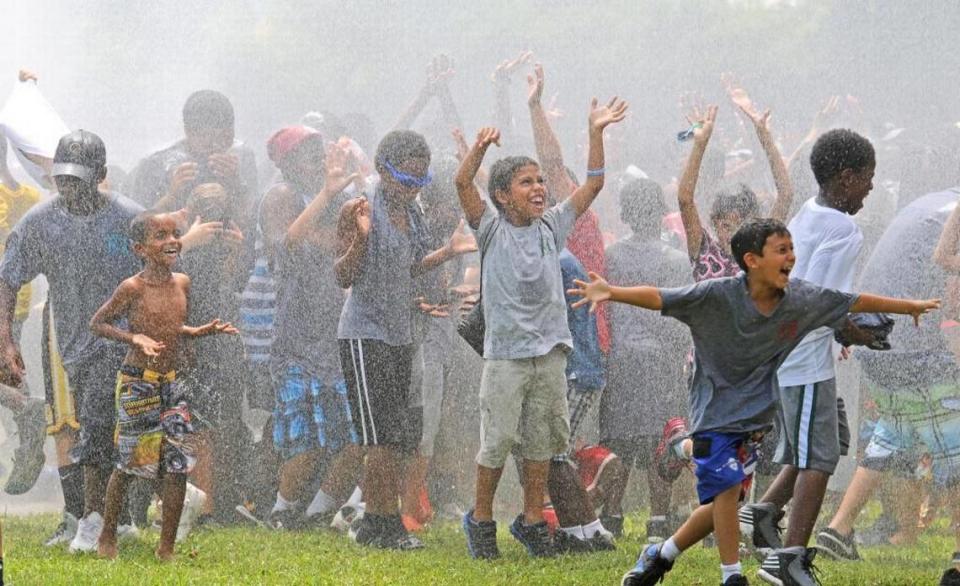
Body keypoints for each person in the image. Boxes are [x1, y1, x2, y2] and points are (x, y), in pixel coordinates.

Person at [567, 218, 939, 586]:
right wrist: (611, 291)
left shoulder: (800, 299)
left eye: (792, 249)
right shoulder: (717, 295)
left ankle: (660, 553)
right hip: (713, 410)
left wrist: (909, 307)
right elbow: (661, 296)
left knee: (720, 505)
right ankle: (732, 577)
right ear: (751, 260)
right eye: (782, 250)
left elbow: (852, 301)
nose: (791, 257)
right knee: (728, 488)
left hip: (755, 418)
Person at [457, 93, 628, 560]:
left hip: (550, 354)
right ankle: (481, 520)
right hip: (507, 356)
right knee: (496, 443)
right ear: (502, 195)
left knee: (541, 444)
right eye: (525, 182)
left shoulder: (552, 227)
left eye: (540, 181)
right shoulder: (491, 230)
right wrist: (478, 150)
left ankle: (533, 521)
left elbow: (593, 184)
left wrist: (595, 134)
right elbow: (462, 183)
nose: (538, 188)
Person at [732, 129, 876, 586]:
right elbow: (820, 300)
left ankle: (765, 512)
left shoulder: (807, 214)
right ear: (847, 177)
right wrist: (857, 331)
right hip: (804, 361)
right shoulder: (845, 231)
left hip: (791, 354)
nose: (871, 189)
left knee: (828, 437)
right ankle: (789, 559)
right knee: (819, 457)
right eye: (867, 179)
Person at [0, 130, 143, 553]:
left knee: (122, 430)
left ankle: (107, 519)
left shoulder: (129, 219)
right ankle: (88, 518)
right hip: (73, 344)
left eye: (78, 178)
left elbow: (163, 269)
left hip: (126, 342)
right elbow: (8, 279)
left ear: (100, 174)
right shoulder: (41, 223)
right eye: (63, 177)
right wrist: (6, 340)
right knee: (86, 430)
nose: (69, 186)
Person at [335, 129, 475, 550]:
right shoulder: (359, 207)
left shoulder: (412, 213)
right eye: (405, 179)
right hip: (364, 334)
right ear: (382, 170)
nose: (413, 188)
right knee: (378, 437)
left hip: (400, 334)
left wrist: (448, 252)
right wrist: (360, 238)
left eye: (419, 180)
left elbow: (410, 267)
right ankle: (382, 524)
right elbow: (342, 275)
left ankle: (376, 520)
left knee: (398, 435)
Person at [816, 186, 960, 586]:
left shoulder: (933, 202)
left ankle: (838, 529)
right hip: (911, 343)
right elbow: (951, 289)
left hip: (873, 337)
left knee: (894, 429)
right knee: (954, 441)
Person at [90, 211, 237, 561]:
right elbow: (98, 323)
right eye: (160, 236)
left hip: (174, 385)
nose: (171, 240)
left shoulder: (182, 282)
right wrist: (133, 337)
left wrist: (196, 332)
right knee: (130, 464)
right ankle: (107, 536)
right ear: (140, 248)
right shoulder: (132, 288)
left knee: (177, 466)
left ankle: (166, 548)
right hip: (139, 385)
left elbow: (172, 326)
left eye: (175, 234)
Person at [258, 126, 362, 529]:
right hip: (297, 339)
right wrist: (331, 198)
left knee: (355, 437)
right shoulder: (282, 196)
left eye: (319, 149)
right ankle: (281, 512)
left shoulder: (341, 195)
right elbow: (288, 243)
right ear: (285, 163)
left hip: (339, 335)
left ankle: (319, 513)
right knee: (305, 440)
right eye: (306, 152)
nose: (318, 158)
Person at [599, 177, 692, 542]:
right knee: (661, 438)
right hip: (661, 361)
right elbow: (680, 314)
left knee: (619, 438)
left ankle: (613, 514)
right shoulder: (675, 259)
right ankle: (657, 519)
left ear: (625, 214)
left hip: (621, 359)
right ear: (660, 212)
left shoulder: (612, 257)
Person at [0, 130, 45, 496]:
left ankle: (26, 409)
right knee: (7, 369)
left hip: (6, 297)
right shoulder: (25, 196)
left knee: (7, 368)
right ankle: (26, 413)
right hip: (17, 297)